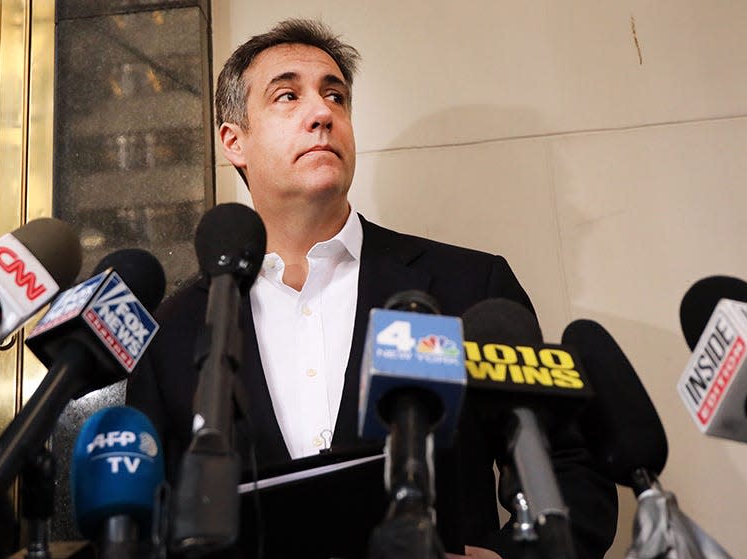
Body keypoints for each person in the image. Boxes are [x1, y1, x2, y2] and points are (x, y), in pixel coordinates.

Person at [127, 19, 617, 559]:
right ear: (234, 141)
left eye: (334, 95)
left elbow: (572, 474)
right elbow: (143, 523)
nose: (322, 114)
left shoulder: (468, 286)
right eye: (288, 96)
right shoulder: (173, 331)